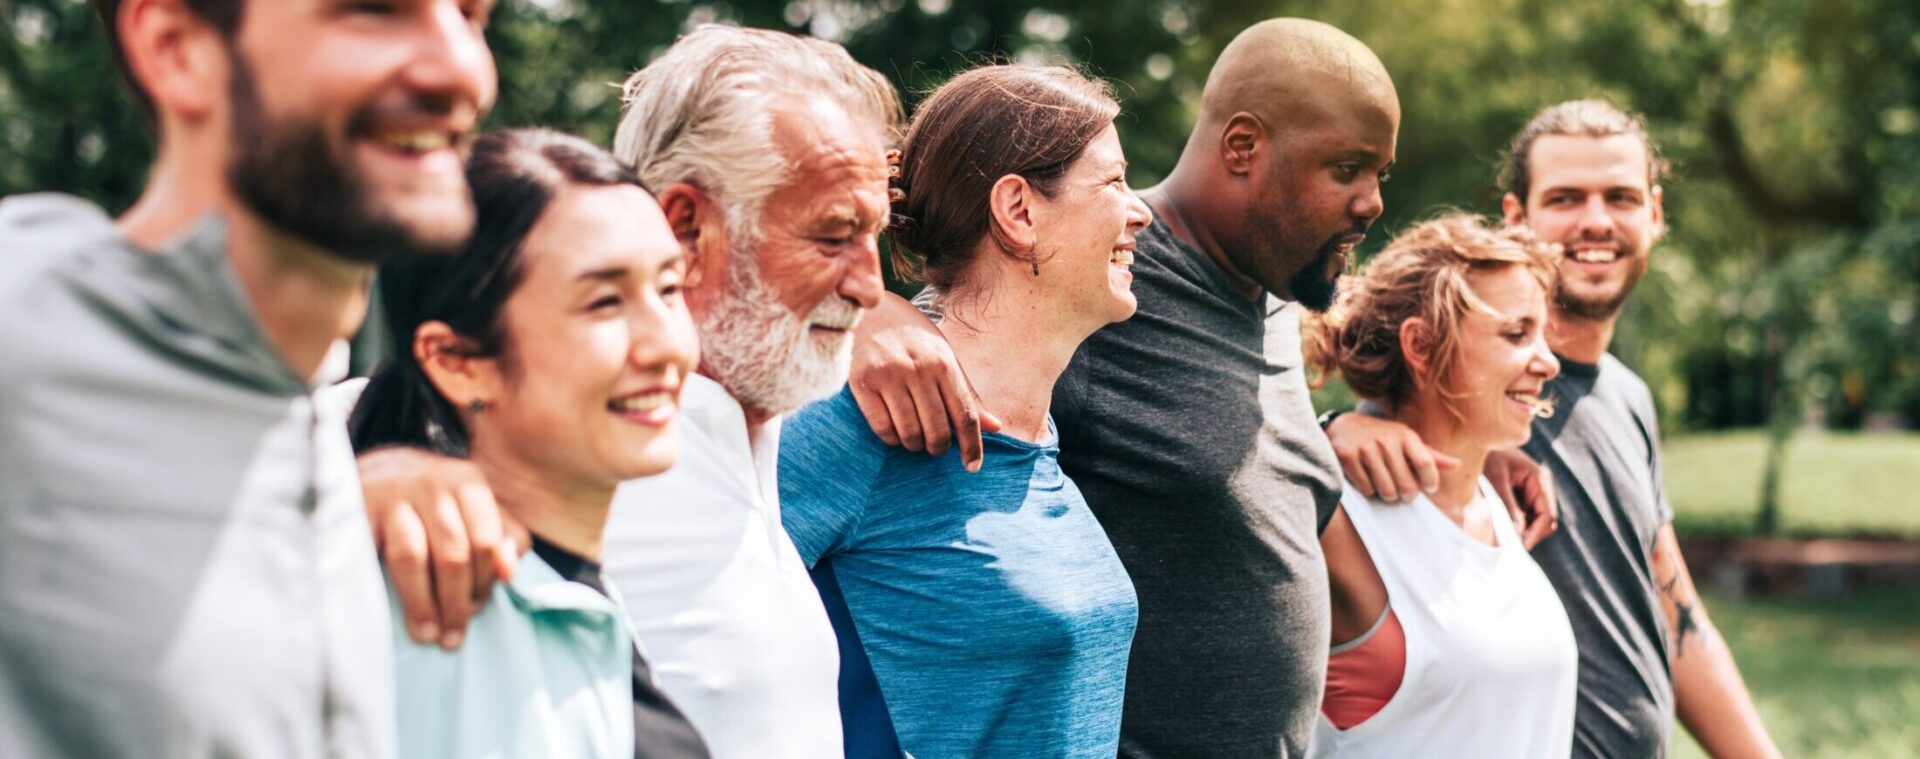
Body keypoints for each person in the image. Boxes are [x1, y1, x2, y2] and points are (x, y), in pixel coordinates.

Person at [840, 19, 1524, 756]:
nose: (1372, 202)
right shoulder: (1105, 285)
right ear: (1243, 148)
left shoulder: (1275, 291)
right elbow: (963, 292)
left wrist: (1349, 432)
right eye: (1348, 167)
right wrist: (870, 310)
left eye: (1379, 174)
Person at [352, 25, 903, 759]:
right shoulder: (554, 453)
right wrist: (368, 477)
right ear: (686, 225)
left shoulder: (733, 428)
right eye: (834, 235)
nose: (873, 286)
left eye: (662, 290)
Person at [0, 0, 494, 756]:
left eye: (469, 13)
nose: (463, 69)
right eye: (375, 11)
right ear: (175, 48)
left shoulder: (312, 429)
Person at [1326, 100, 1781, 758]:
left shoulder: (1627, 397)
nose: (1596, 220)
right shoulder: (1478, 392)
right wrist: (1334, 429)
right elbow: (1366, 469)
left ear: (1654, 213)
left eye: (1620, 197)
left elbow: (1674, 608)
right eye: (1566, 198)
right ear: (1517, 219)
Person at [778, 65, 1149, 758]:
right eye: (1113, 182)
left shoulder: (1037, 435)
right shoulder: (857, 420)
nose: (1141, 210)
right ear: (1019, 211)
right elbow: (668, 621)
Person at [345, 129, 707, 759]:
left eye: (669, 288)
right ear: (457, 361)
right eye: (603, 302)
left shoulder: (570, 595)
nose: (666, 344)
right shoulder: (433, 625)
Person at [1303, 214, 1575, 756]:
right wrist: (1324, 431)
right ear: (1422, 347)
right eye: (1517, 334)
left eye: (1541, 334)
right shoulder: (1337, 515)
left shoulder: (1495, 505)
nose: (1547, 361)